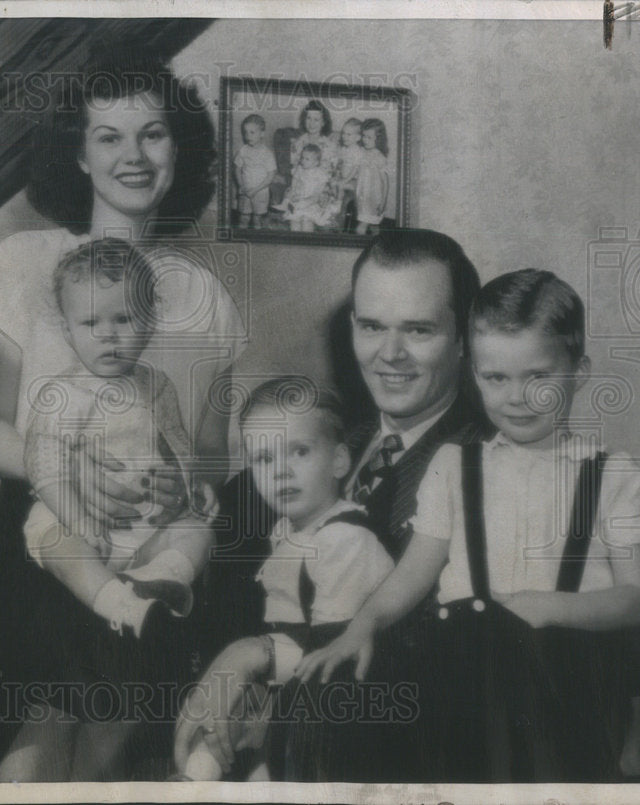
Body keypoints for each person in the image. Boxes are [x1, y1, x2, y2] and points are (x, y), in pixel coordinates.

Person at [0, 52, 245, 782]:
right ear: (79, 155)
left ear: (178, 150)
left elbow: (212, 449)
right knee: (29, 757)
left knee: (111, 743)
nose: (134, 155)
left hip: (152, 539)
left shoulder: (205, 296)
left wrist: (182, 490)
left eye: (152, 134)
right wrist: (65, 468)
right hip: (43, 531)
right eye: (109, 136)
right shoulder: (23, 262)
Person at [298, 268, 640, 781]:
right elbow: (412, 573)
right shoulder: (454, 465)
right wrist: (364, 624)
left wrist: (544, 609)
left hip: (566, 679)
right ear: (474, 375)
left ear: (579, 370)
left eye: (539, 377)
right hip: (464, 679)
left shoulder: (610, 474)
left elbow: (638, 597)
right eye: (496, 378)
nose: (517, 397)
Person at [208, 229, 485, 781]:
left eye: (419, 329)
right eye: (372, 326)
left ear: (463, 339)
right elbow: (236, 552)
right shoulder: (330, 439)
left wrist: (254, 655)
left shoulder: (483, 466)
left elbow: (427, 657)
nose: (390, 355)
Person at [172, 377, 393, 782]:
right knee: (217, 732)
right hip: (290, 691)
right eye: (263, 460)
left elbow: (332, 649)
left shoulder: (344, 539)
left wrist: (254, 672)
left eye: (300, 451)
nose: (281, 472)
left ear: (340, 460)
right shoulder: (288, 532)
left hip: (340, 710)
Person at [24, 238, 214, 634]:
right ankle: (122, 607)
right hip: (78, 517)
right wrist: (80, 522)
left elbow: (178, 442)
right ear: (68, 331)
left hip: (146, 523)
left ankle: (160, 580)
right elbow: (44, 468)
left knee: (198, 530)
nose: (108, 334)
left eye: (124, 320)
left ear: (150, 322)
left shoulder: (157, 386)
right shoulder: (63, 394)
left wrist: (191, 484)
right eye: (91, 323)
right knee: (60, 543)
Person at [272, 144, 330, 232]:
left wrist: (308, 200)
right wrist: (292, 193)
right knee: (294, 223)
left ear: (316, 162)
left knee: (306, 222)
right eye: (302, 157)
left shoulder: (320, 174)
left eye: (307, 159)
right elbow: (294, 184)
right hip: (297, 199)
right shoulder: (299, 169)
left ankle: (307, 242)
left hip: (311, 202)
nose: (303, 160)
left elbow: (318, 192)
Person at [233, 114, 277, 229]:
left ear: (262, 133)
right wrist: (241, 185)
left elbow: (271, 175)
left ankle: (257, 241)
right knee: (244, 217)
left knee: (258, 220)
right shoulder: (243, 150)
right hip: (245, 190)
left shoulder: (267, 153)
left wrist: (256, 190)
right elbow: (237, 168)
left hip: (260, 192)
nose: (248, 136)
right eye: (245, 132)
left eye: (252, 132)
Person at [354, 118, 391, 235]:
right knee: (373, 224)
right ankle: (376, 243)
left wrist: (383, 201)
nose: (365, 140)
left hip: (373, 198)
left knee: (363, 226)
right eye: (363, 136)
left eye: (369, 137)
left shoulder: (379, 158)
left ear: (378, 139)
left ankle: (359, 245)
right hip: (362, 197)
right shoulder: (361, 153)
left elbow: (385, 182)